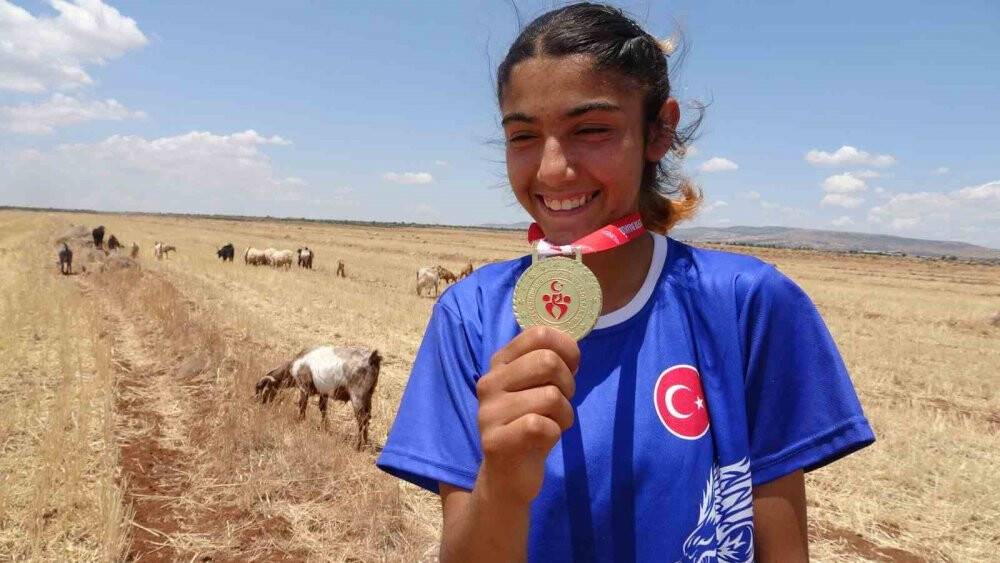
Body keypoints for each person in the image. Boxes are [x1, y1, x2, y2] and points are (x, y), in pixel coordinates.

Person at [377, 3, 875, 562]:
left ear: (659, 129)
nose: (551, 170)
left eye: (590, 129)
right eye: (523, 136)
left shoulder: (745, 305)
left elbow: (782, 549)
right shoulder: (470, 316)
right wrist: (503, 484)